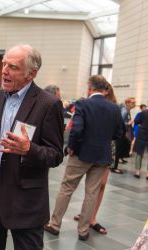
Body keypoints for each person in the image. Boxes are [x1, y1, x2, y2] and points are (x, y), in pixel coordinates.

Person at [0, 44, 64, 249]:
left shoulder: (48, 104)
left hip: (26, 196)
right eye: (4, 64)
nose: (3, 71)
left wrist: (29, 149)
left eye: (12, 67)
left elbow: (55, 155)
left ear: (32, 73)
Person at [44, 75, 123, 241]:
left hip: (81, 154)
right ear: (106, 89)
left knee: (67, 188)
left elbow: (77, 129)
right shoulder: (115, 108)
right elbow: (118, 133)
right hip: (102, 156)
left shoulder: (83, 103)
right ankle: (83, 231)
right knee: (91, 193)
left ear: (90, 88)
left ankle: (54, 224)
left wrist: (71, 147)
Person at [73, 82, 118, 235]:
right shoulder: (90, 102)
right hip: (94, 148)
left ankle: (91, 218)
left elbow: (118, 130)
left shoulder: (113, 106)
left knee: (101, 185)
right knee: (93, 187)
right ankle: (87, 216)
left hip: (107, 149)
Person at [112, 97, 135, 173]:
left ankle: (116, 164)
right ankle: (114, 167)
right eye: (132, 103)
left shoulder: (127, 110)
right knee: (117, 150)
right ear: (127, 103)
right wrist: (128, 123)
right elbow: (120, 121)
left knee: (120, 149)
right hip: (120, 133)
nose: (134, 104)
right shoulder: (125, 110)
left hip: (122, 132)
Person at [133, 107, 148, 179]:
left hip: (142, 134)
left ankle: (137, 172)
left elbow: (136, 121)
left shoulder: (143, 112)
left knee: (139, 153)